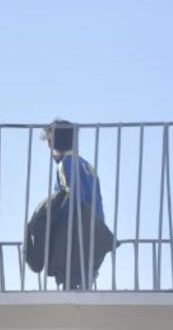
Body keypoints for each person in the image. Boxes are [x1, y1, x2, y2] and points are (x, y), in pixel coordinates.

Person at [25, 120, 114, 290]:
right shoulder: (87, 165)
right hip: (97, 227)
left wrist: (52, 218)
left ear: (51, 143)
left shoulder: (65, 164)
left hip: (77, 229)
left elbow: (73, 195)